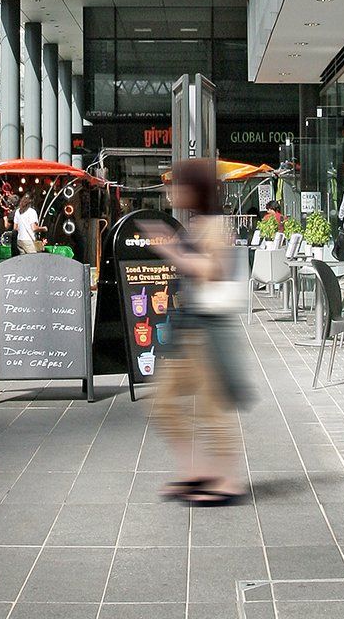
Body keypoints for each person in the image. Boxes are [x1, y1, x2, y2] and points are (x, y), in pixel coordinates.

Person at [144, 158, 254, 507]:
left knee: (211, 409)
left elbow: (212, 270)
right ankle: (198, 472)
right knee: (164, 404)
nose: (171, 190)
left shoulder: (214, 226)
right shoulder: (198, 223)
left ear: (194, 189)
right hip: (190, 328)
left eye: (177, 183)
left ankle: (226, 481)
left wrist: (170, 250)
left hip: (205, 331)